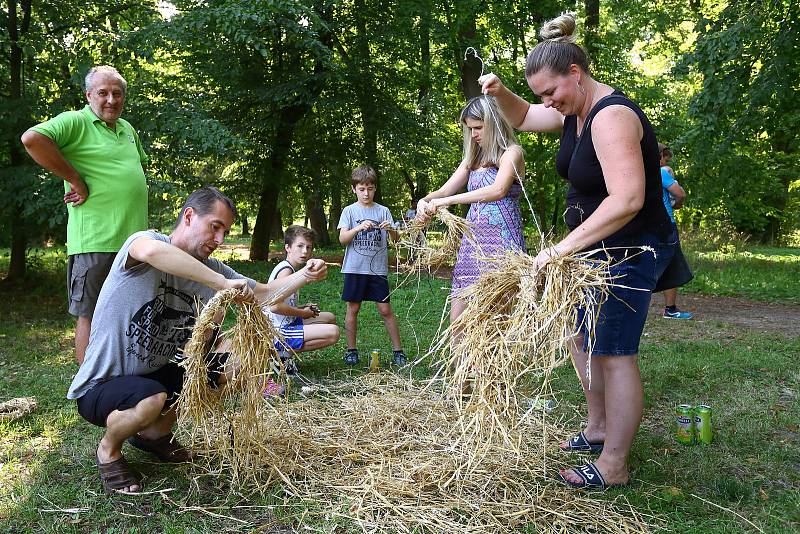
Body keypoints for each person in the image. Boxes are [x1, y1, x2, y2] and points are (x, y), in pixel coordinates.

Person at [481, 13, 677, 490]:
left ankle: (614, 465)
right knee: (580, 339)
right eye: (544, 94)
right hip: (594, 249)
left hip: (630, 248)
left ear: (576, 72)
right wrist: (501, 92)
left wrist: (560, 249)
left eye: (552, 92)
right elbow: (524, 116)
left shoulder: (610, 117)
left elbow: (627, 199)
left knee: (614, 351)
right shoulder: (574, 112)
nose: (549, 102)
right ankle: (598, 428)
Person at [66, 186, 328, 494]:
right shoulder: (145, 242)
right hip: (101, 386)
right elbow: (151, 253)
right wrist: (221, 284)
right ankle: (108, 452)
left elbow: (266, 294)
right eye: (215, 227)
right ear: (189, 216)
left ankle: (155, 435)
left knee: (231, 368)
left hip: (154, 375)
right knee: (150, 398)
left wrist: (305, 275)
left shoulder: (211, 268)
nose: (219, 240)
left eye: (225, 232)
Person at [21, 65, 149, 365]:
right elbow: (32, 139)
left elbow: (137, 173)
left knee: (130, 312)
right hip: (95, 241)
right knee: (90, 315)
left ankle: (120, 375)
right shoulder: (76, 122)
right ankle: (89, 388)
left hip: (134, 243)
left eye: (117, 93)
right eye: (103, 93)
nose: (111, 100)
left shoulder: (127, 129)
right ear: (88, 94)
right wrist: (75, 179)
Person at [417, 95, 525, 329]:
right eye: (470, 128)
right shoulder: (472, 159)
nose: (473, 134)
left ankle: (493, 366)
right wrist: (424, 201)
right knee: (458, 319)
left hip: (502, 242)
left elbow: (498, 190)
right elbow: (445, 189)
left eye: (478, 127)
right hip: (473, 243)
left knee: (498, 319)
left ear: (494, 123)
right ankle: (461, 367)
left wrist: (448, 201)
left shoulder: (512, 153)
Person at [338, 165, 407, 367]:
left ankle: (398, 352)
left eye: (369, 188)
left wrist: (391, 229)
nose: (366, 193)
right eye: (361, 189)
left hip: (377, 270)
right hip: (355, 269)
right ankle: (351, 350)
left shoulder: (383, 211)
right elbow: (343, 239)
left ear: (375, 188)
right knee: (353, 308)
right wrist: (358, 227)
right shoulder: (349, 211)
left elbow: (396, 241)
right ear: (354, 189)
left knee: (385, 310)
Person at [263, 225, 340, 377]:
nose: (305, 251)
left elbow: (282, 303)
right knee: (333, 333)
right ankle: (279, 355)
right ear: (288, 247)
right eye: (300, 246)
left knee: (329, 317)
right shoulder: (285, 270)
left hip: (285, 321)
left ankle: (283, 354)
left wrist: (303, 308)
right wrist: (302, 313)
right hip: (276, 331)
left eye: (308, 247)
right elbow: (275, 306)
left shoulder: (291, 268)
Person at [658, 143, 693, 319]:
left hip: (644, 225)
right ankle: (670, 309)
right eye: (665, 158)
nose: (666, 163)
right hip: (665, 223)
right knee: (671, 264)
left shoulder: (637, 173)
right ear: (660, 157)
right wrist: (677, 204)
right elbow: (680, 194)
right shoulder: (662, 172)